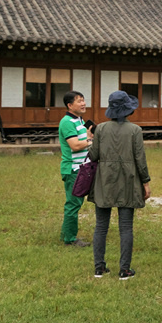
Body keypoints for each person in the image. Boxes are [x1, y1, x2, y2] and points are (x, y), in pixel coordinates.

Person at [88, 91, 151, 280]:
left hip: (104, 181)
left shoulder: (100, 129)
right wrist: (146, 182)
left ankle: (99, 268)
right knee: (126, 227)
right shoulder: (135, 130)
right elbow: (140, 159)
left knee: (101, 226)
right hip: (128, 180)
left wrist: (91, 139)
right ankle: (124, 270)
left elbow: (93, 156)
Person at [58, 90, 93, 247]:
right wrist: (91, 140)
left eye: (83, 100)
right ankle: (70, 239)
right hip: (73, 169)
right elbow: (75, 145)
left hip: (82, 168)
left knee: (75, 202)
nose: (83, 103)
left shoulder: (79, 120)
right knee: (73, 203)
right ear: (70, 105)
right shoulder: (67, 122)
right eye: (79, 101)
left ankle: (66, 233)